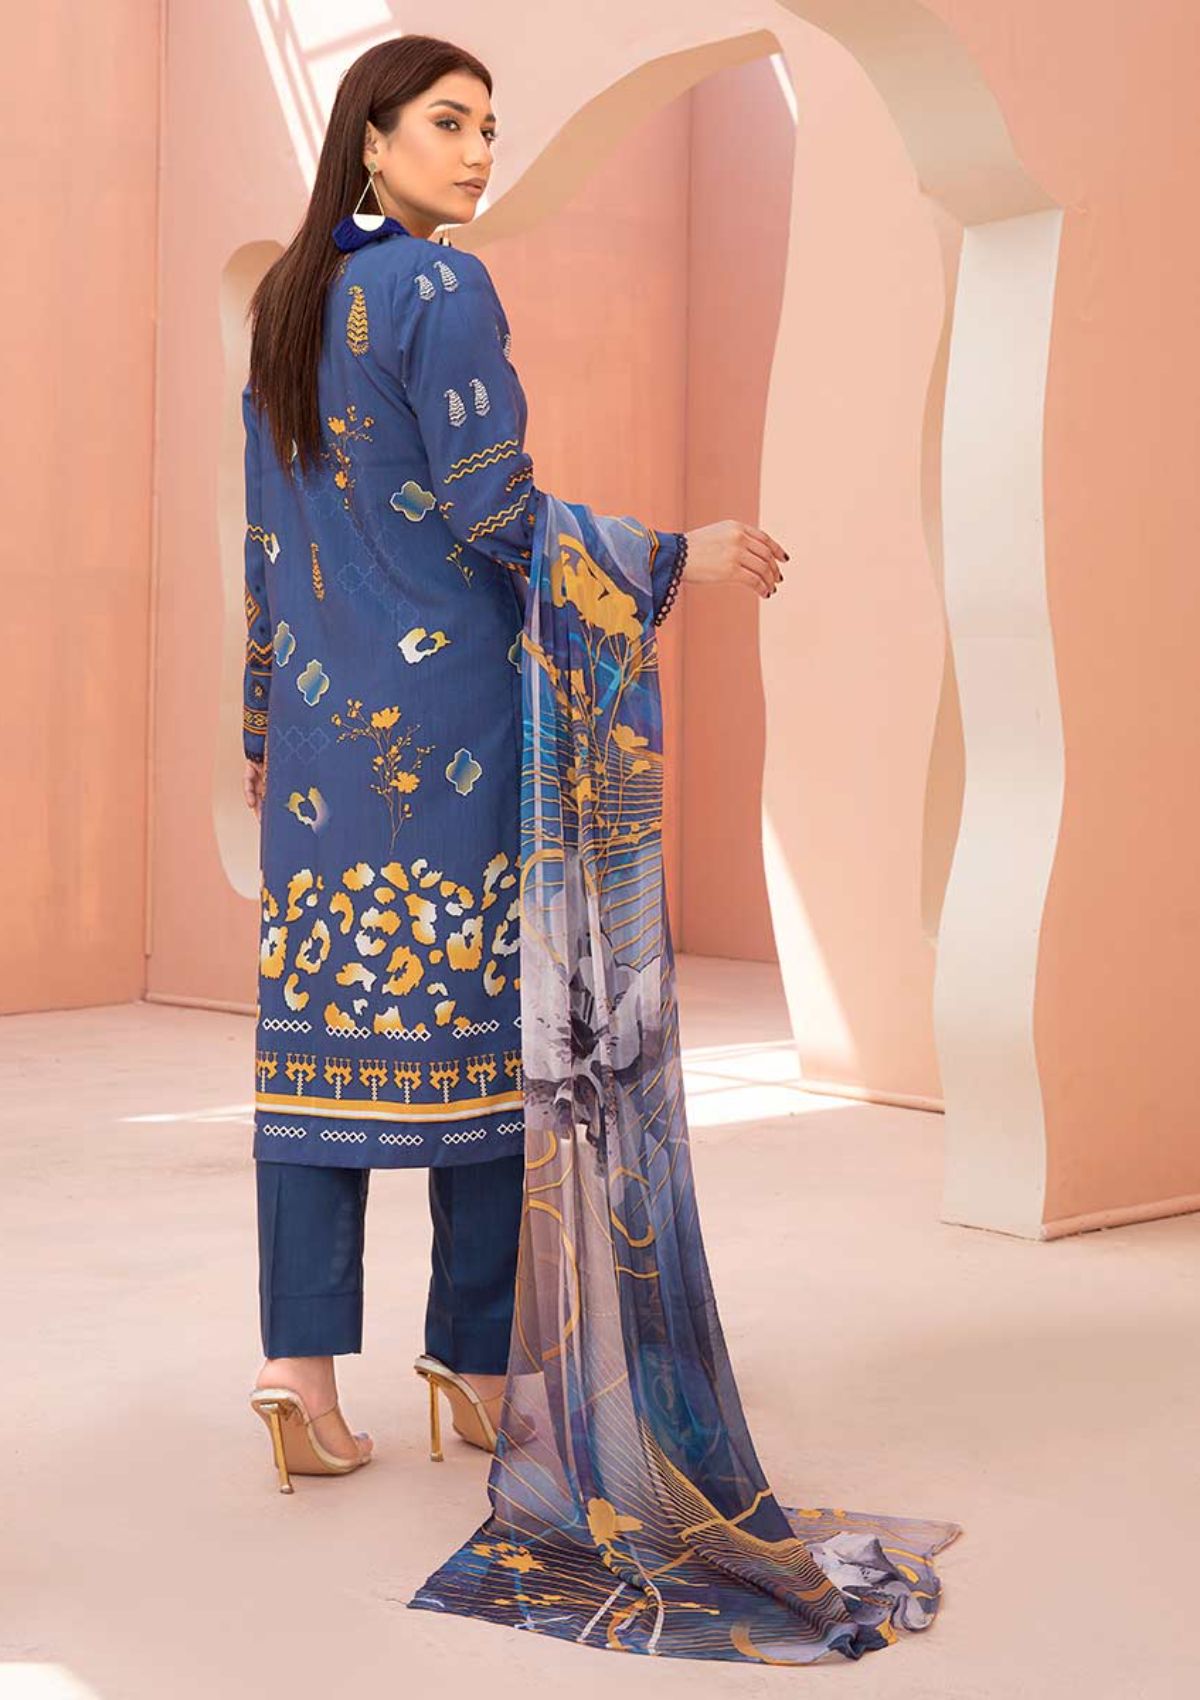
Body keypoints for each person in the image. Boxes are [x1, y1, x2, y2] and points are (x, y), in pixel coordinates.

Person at [239, 36, 784, 1494]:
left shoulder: (288, 304)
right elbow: (494, 513)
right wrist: (673, 554)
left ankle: (298, 1375)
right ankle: (474, 1368)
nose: (480, 152)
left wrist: (263, 732)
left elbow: (271, 553)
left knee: (318, 1052)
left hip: (321, 749)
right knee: (493, 1041)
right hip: (456, 732)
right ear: (370, 141)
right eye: (449, 123)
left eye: (490, 126)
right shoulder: (440, 287)